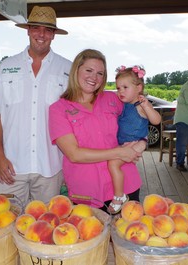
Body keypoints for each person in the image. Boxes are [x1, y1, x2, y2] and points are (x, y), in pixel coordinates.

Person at [0, 6, 72, 206]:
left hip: (51, 167)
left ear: (54, 35)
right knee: (4, 223)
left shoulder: (68, 68)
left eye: (48, 29)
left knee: (47, 227)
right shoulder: (7, 67)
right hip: (11, 167)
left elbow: (77, 116)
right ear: (28, 30)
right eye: (36, 28)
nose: (41, 34)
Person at [48, 49, 143, 210]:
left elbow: (138, 119)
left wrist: (139, 145)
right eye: (89, 70)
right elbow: (74, 154)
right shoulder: (58, 109)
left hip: (126, 185)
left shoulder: (113, 99)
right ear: (76, 70)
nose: (94, 78)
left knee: (127, 234)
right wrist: (119, 152)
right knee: (93, 234)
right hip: (87, 192)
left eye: (100, 73)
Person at [107, 65, 161, 214]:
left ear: (139, 88)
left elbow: (156, 120)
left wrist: (147, 106)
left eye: (125, 87)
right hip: (125, 143)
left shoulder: (140, 105)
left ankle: (119, 196)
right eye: (118, 88)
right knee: (114, 164)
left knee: (113, 164)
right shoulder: (125, 105)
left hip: (137, 142)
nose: (120, 91)